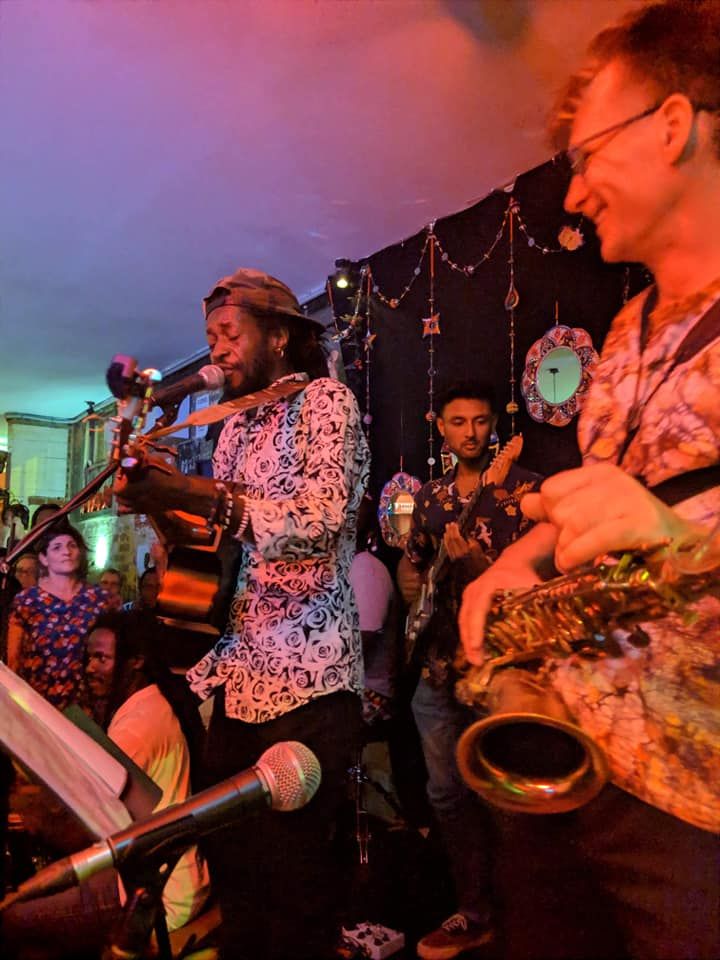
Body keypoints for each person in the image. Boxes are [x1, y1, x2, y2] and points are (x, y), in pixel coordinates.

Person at [459, 4, 720, 959]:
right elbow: (608, 491)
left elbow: (664, 518)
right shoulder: (623, 328)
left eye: (587, 155)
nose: (573, 194)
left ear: (673, 125)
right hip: (568, 769)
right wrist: (517, 563)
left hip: (696, 812)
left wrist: (683, 541)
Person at [114, 267, 370, 960]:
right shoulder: (232, 429)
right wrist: (157, 501)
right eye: (209, 339)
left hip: (310, 682)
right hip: (240, 678)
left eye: (229, 333)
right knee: (236, 872)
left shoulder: (326, 402)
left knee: (293, 884)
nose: (217, 350)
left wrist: (188, 491)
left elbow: (317, 525)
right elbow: (217, 547)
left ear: (279, 336)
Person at [396, 381, 541, 960]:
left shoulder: (524, 490)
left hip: (502, 668)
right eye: (458, 422)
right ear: (441, 428)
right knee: (446, 794)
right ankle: (473, 910)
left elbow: (541, 579)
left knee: (506, 793)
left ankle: (524, 912)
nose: (470, 433)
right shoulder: (429, 497)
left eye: (480, 421)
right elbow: (412, 566)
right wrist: (415, 593)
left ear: (494, 426)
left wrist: (484, 568)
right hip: (437, 667)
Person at [1, 610, 210, 959]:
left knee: (13, 917)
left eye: (101, 658)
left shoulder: (140, 724)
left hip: (158, 892)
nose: (89, 668)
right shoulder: (147, 704)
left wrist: (34, 815)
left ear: (135, 662)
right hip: (152, 873)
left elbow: (89, 830)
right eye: (88, 658)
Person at [6, 523, 111, 711]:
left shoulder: (98, 599)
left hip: (85, 703)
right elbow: (14, 658)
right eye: (57, 547)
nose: (66, 552)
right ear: (44, 558)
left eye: (72, 546)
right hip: (37, 702)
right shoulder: (28, 600)